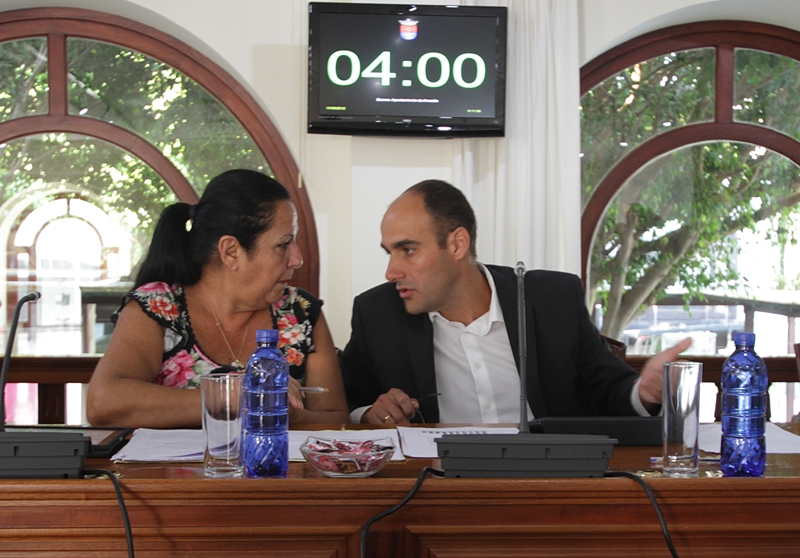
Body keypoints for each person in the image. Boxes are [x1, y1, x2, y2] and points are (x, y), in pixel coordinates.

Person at [341, 179, 691, 425]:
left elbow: (608, 391)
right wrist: (369, 414)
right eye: (390, 252)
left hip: (549, 489)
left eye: (408, 250)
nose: (391, 271)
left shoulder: (551, 300)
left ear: (457, 244)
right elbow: (346, 403)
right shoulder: (378, 314)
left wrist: (643, 392)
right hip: (438, 494)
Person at [88, 169, 349, 428]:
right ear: (231, 252)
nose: (297, 259)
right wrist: (239, 397)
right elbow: (104, 403)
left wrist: (292, 415)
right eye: (283, 245)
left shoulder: (301, 312)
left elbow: (336, 419)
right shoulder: (157, 307)